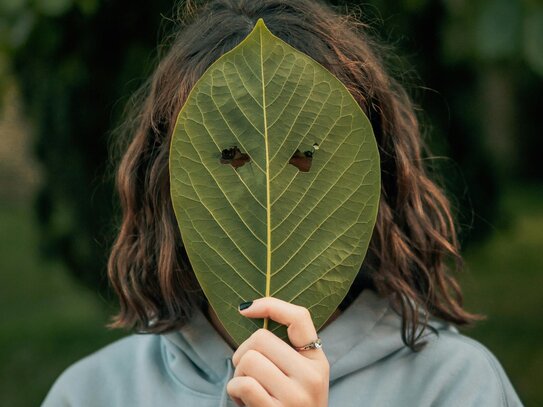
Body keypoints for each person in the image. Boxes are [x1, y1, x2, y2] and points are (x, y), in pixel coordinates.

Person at [42, 0, 524, 406]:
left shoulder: (456, 386)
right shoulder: (92, 393)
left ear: (371, 179)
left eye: (304, 158)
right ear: (166, 181)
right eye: (229, 156)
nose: (268, 186)